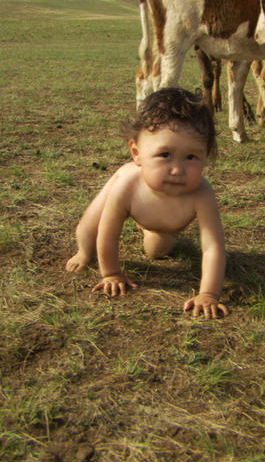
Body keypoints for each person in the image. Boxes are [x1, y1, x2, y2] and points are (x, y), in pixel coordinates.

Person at [66, 88, 228, 319]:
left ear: (205, 156)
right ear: (137, 152)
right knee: (89, 229)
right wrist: (111, 273)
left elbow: (213, 247)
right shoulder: (127, 185)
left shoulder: (202, 194)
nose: (177, 170)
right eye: (165, 155)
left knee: (156, 251)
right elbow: (108, 233)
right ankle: (83, 251)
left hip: (160, 220)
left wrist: (209, 294)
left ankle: (148, 230)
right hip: (128, 196)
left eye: (191, 157)